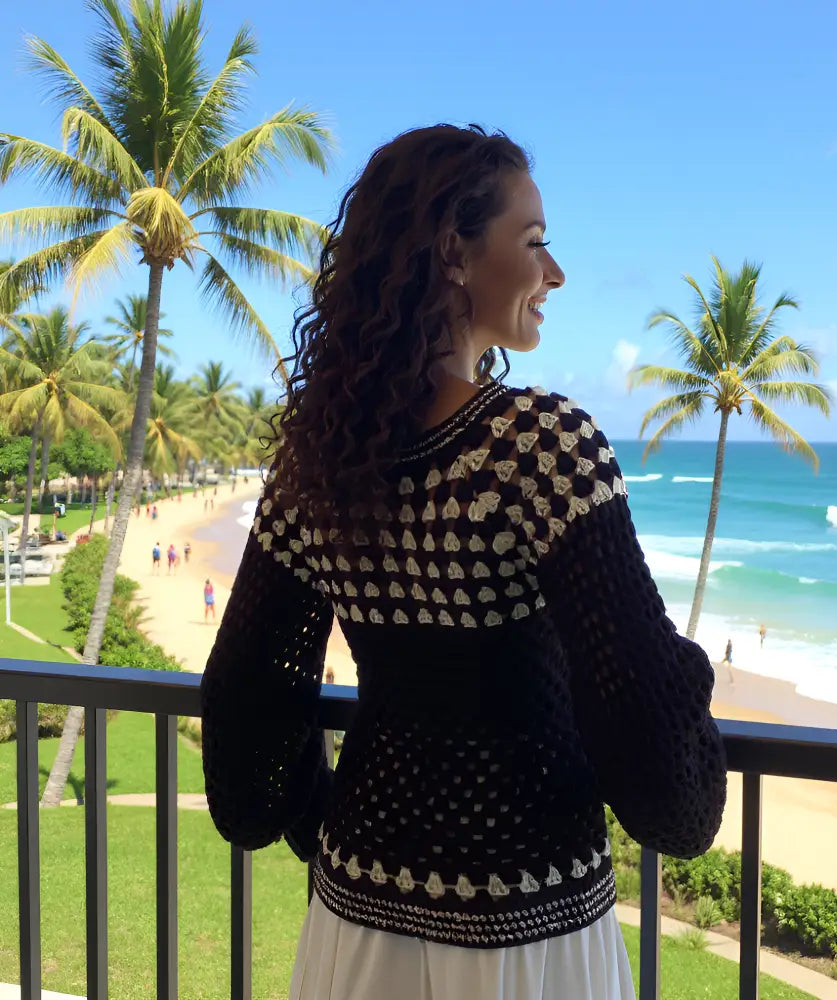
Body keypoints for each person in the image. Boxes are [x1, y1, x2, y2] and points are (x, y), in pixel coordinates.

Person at [200, 124, 726, 1000]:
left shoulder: (322, 461)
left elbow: (245, 699)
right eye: (533, 243)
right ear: (453, 252)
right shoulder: (538, 446)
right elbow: (665, 781)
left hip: (355, 921)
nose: (554, 273)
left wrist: (320, 819)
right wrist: (691, 675)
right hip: (528, 939)